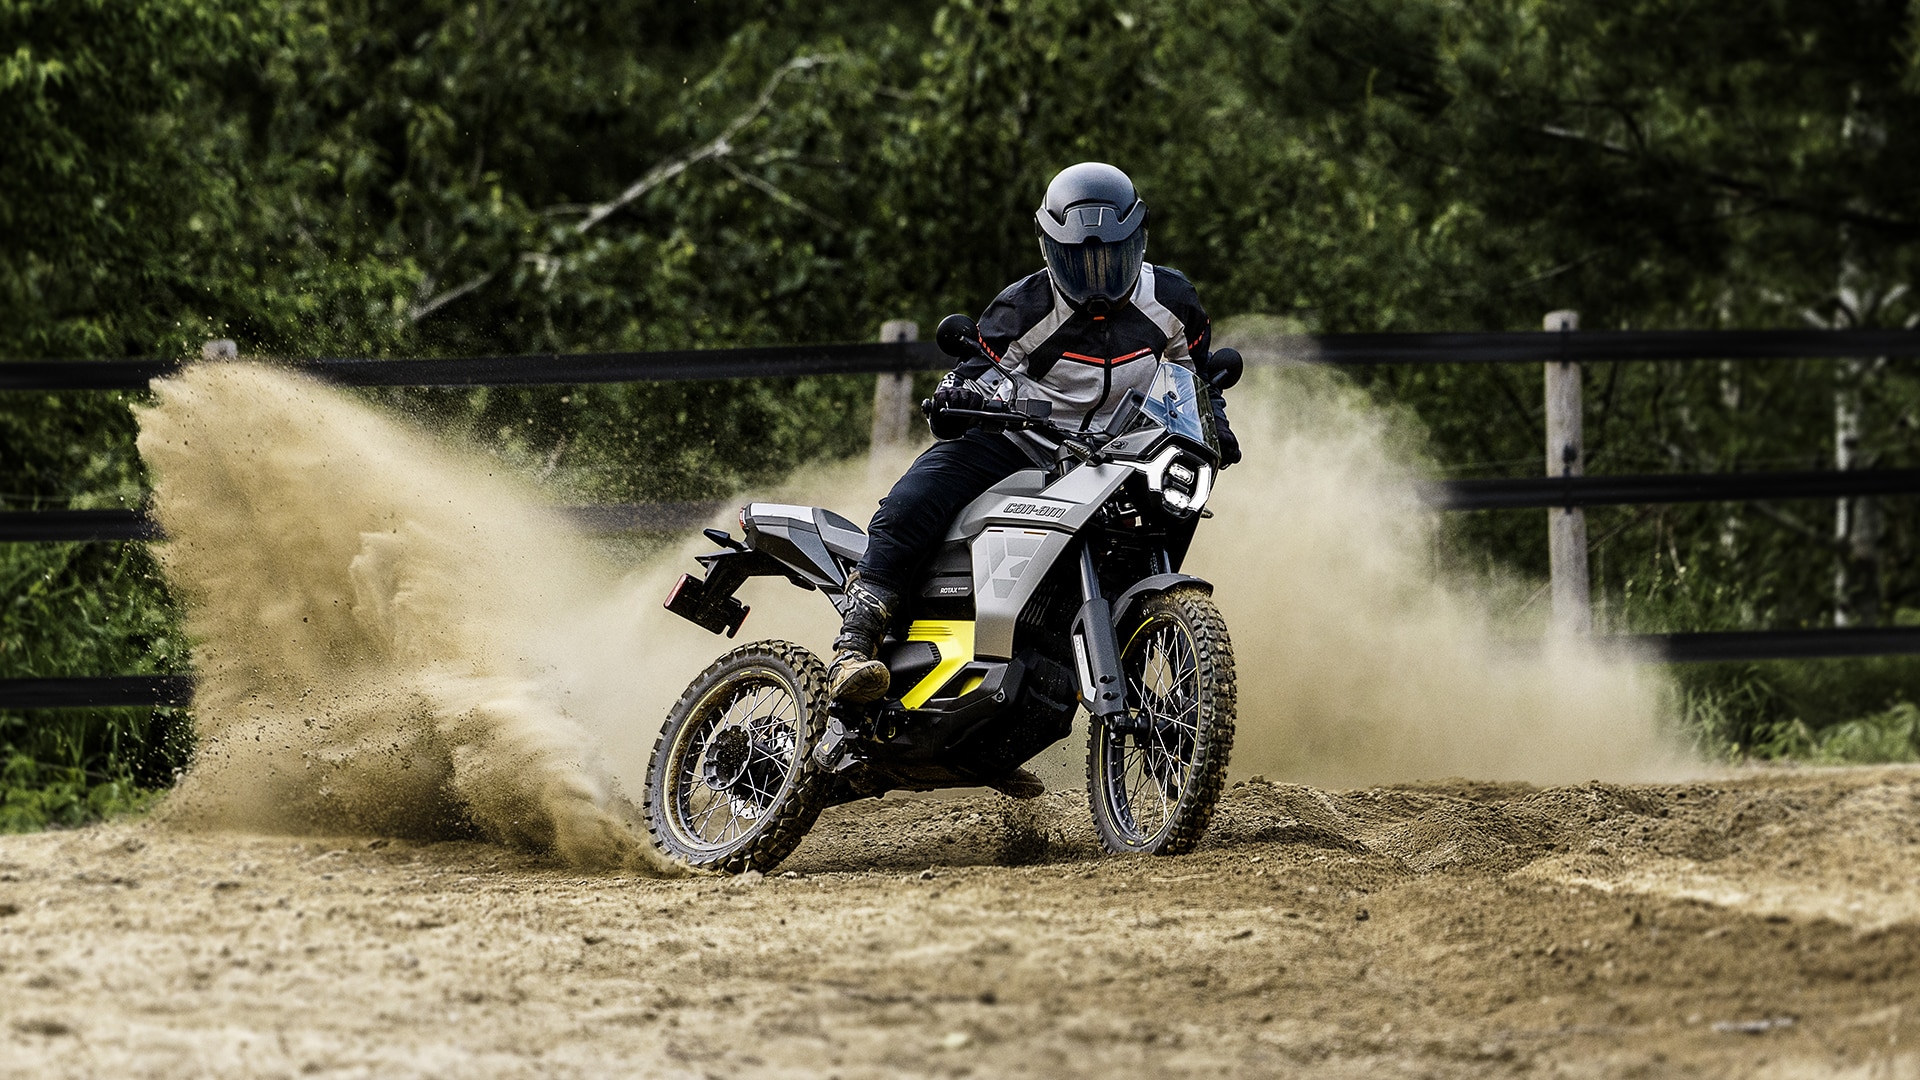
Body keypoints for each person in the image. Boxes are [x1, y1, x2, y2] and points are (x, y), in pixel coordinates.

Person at [829, 161, 1242, 702]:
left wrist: (1218, 426)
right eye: (1079, 260)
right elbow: (972, 372)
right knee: (915, 498)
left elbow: (1195, 374)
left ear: (1138, 241)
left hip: (1122, 455)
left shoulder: (1173, 300)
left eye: (1110, 257)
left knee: (1175, 503)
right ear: (1050, 250)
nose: (1096, 274)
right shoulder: (1023, 308)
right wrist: (958, 397)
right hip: (1020, 441)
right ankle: (854, 645)